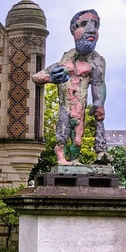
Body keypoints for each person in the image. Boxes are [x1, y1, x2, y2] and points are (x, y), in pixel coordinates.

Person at [32, 9, 108, 165]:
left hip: (80, 109)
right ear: (73, 30)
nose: (92, 29)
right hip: (65, 107)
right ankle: (61, 157)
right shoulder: (66, 60)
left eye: (96, 25)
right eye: (84, 24)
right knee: (63, 132)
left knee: (78, 139)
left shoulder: (97, 62)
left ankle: (75, 160)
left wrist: (99, 105)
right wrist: (52, 76)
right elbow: (37, 77)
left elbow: (98, 85)